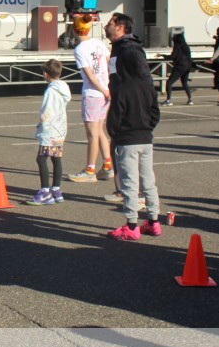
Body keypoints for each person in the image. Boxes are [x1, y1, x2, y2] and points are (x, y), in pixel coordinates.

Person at [105, 29, 162, 241]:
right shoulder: (148, 88)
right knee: (148, 181)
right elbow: (155, 113)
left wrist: (115, 133)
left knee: (129, 183)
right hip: (146, 138)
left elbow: (114, 117)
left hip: (127, 139)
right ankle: (154, 221)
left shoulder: (121, 89)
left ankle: (131, 224)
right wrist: (148, 127)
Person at [69, 16, 113, 182]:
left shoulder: (80, 49)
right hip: (105, 92)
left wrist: (103, 89)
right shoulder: (98, 43)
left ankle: (90, 170)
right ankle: (107, 165)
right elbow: (109, 63)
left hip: (94, 94)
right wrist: (108, 87)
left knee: (92, 134)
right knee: (100, 130)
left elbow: (90, 75)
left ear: (74, 29)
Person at [28, 59, 71, 205]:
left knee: (41, 159)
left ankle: (45, 191)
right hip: (60, 129)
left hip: (50, 130)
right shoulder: (63, 87)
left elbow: (46, 111)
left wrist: (41, 126)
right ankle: (56, 190)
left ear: (45, 74)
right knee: (56, 158)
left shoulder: (50, 91)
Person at [162, 31, 194, 106]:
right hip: (187, 66)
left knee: (169, 82)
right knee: (184, 83)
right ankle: (190, 99)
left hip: (179, 66)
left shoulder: (177, 46)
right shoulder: (186, 46)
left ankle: (168, 100)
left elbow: (173, 56)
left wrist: (163, 55)